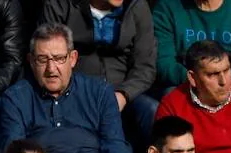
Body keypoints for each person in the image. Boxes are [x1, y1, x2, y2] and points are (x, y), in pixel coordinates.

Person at [0, 24, 132, 153]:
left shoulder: (100, 92)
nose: (51, 69)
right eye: (42, 60)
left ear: (73, 58)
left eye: (59, 58)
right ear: (30, 61)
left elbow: (115, 145)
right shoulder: (15, 98)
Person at [38, 0, 157, 129]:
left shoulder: (137, 6)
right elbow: (48, 58)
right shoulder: (60, 5)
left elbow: (145, 66)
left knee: (151, 110)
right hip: (74, 92)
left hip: (123, 91)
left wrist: (123, 95)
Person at [152, 0, 231, 89]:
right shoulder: (166, 10)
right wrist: (199, 82)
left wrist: (230, 83)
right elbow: (164, 62)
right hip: (187, 86)